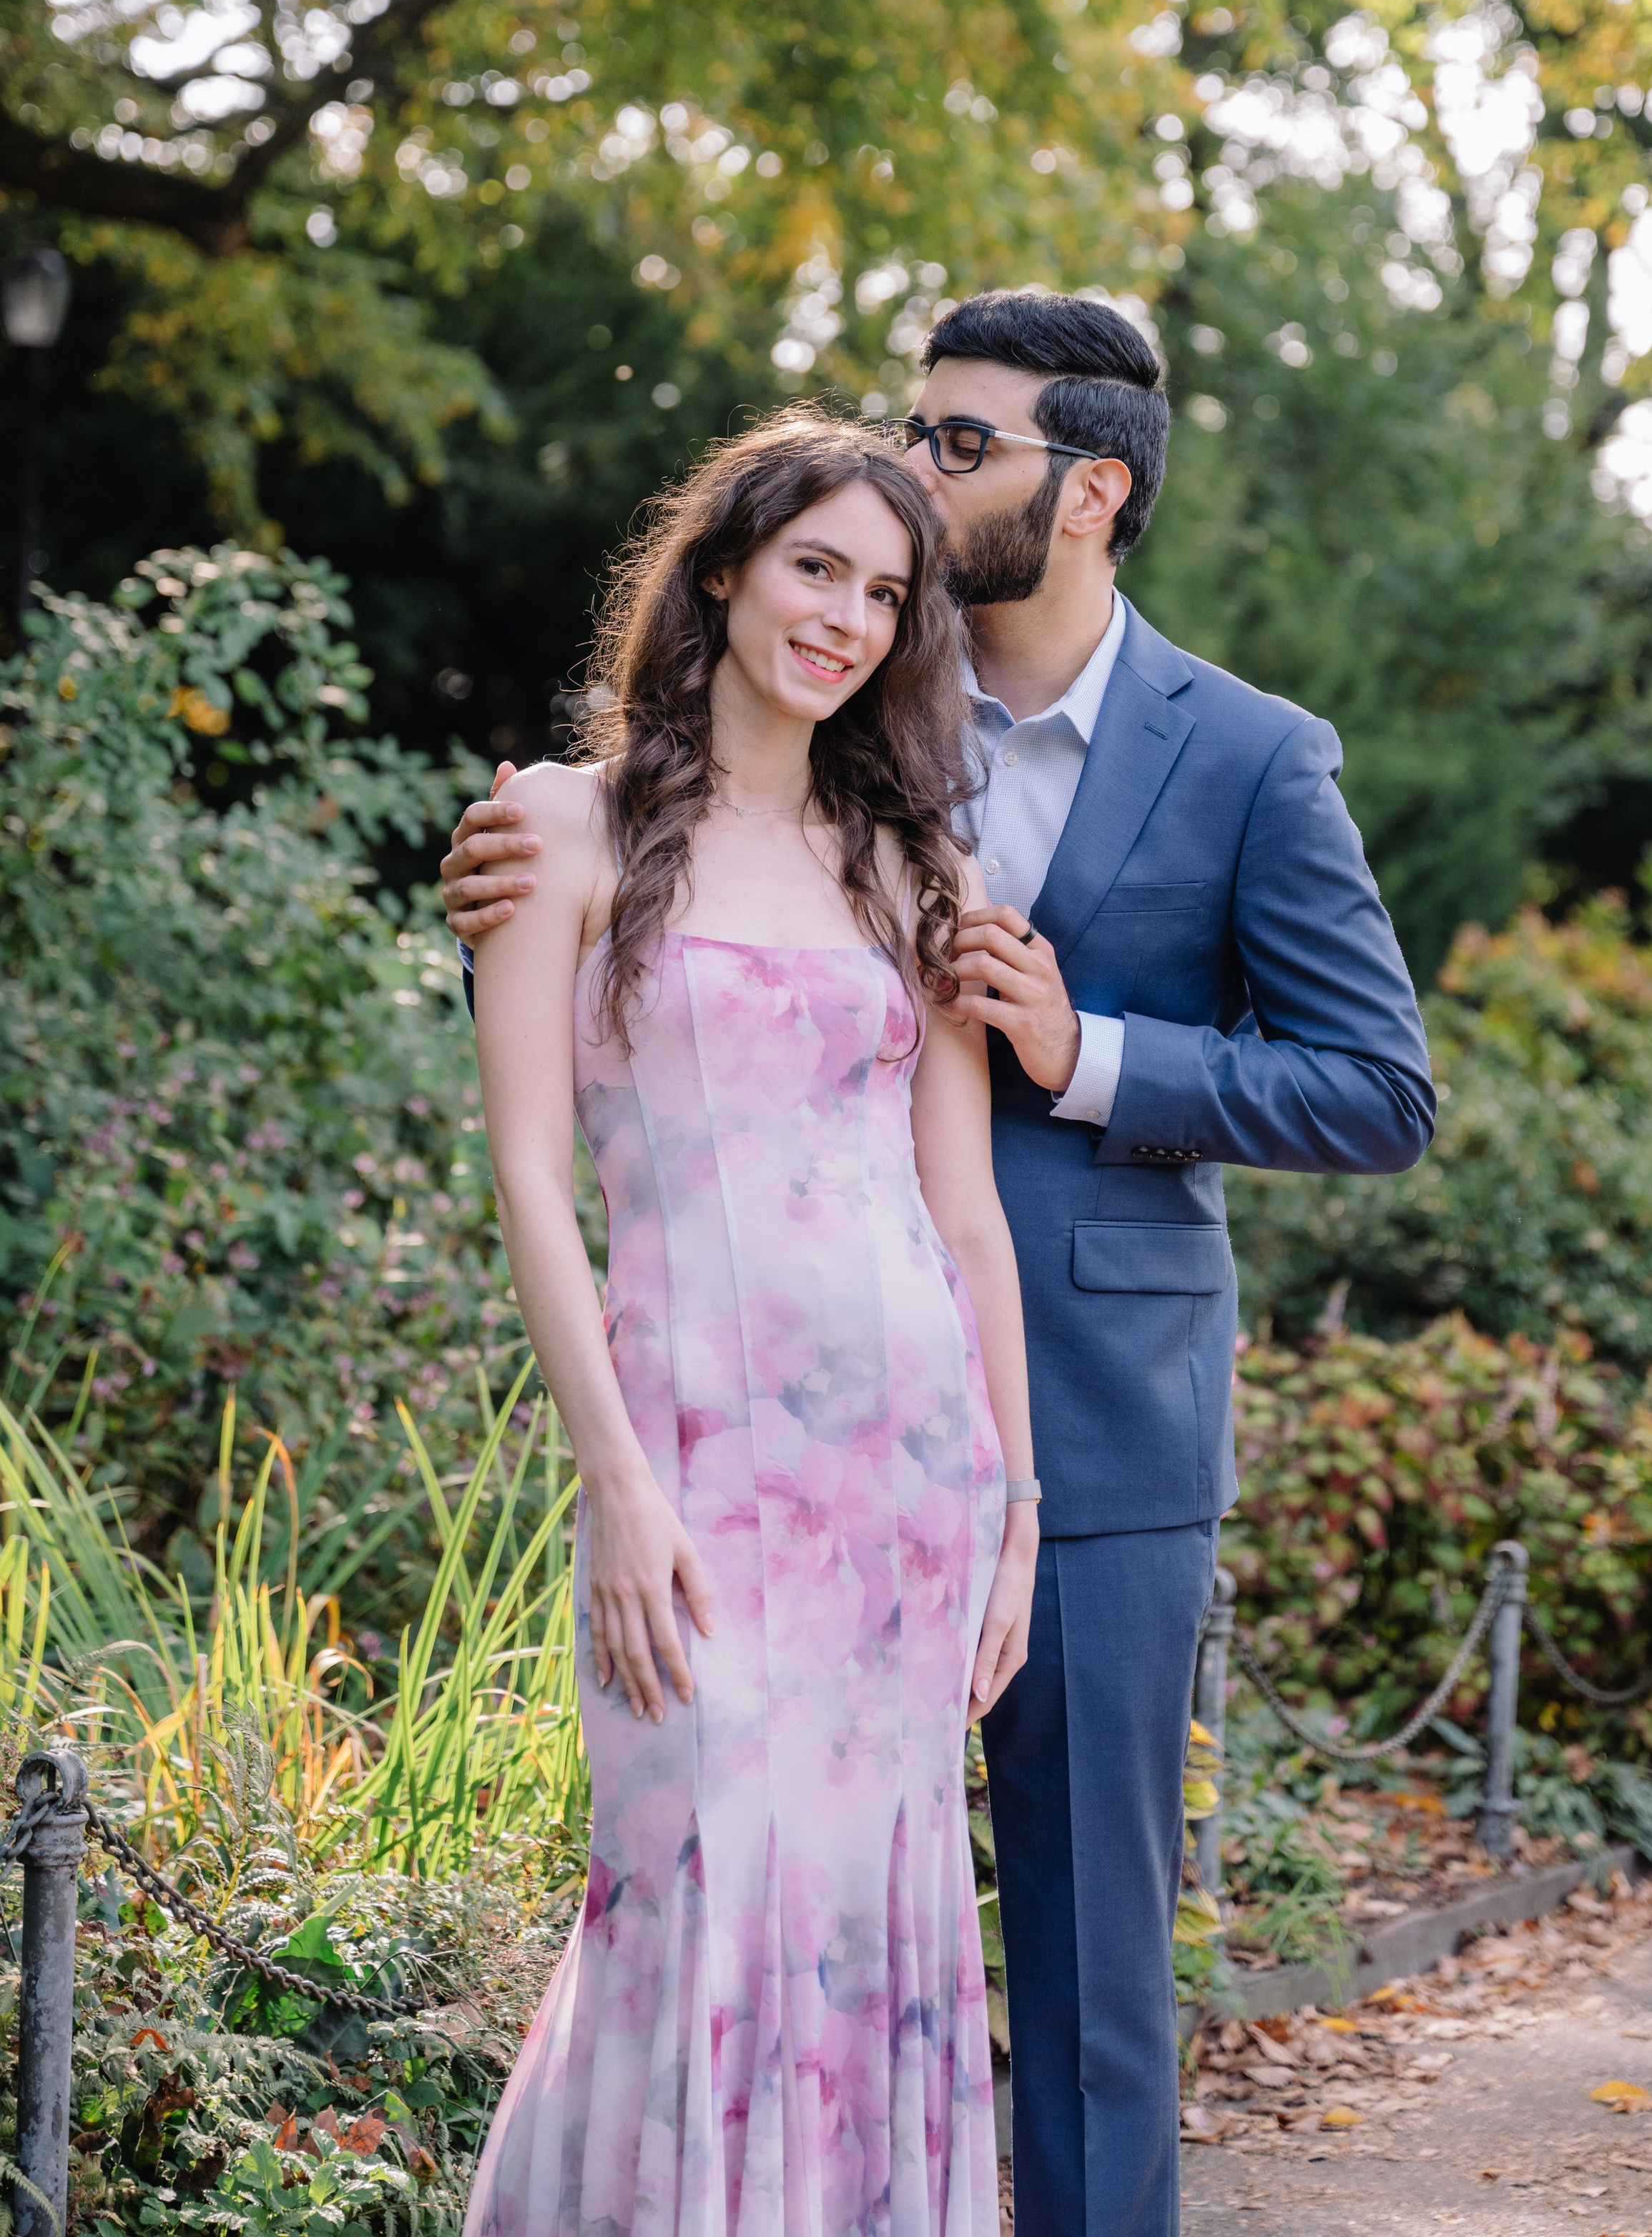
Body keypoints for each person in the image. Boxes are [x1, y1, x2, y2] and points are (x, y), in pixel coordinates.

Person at [444, 292, 1437, 2237]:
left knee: (1074, 1985)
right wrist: (499, 882)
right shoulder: (849, 711)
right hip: (749, 1427)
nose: (913, 478)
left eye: (958, 447)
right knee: (732, 1901)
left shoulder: (1245, 756)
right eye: (903, 442)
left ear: (1095, 489)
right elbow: (633, 964)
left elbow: (1381, 1089)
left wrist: (1093, 1057)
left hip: (1079, 1442)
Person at [462, 413, 1038, 2237]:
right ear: (720, 568)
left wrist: (1015, 1506)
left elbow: (964, 1211)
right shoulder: (563, 827)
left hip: (907, 1489)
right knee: (689, 1900)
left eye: (885, 591)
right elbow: (531, 1183)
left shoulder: (910, 868)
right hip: (691, 1475)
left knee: (873, 1932)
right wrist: (616, 1485)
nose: (848, 618)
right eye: (816, 568)